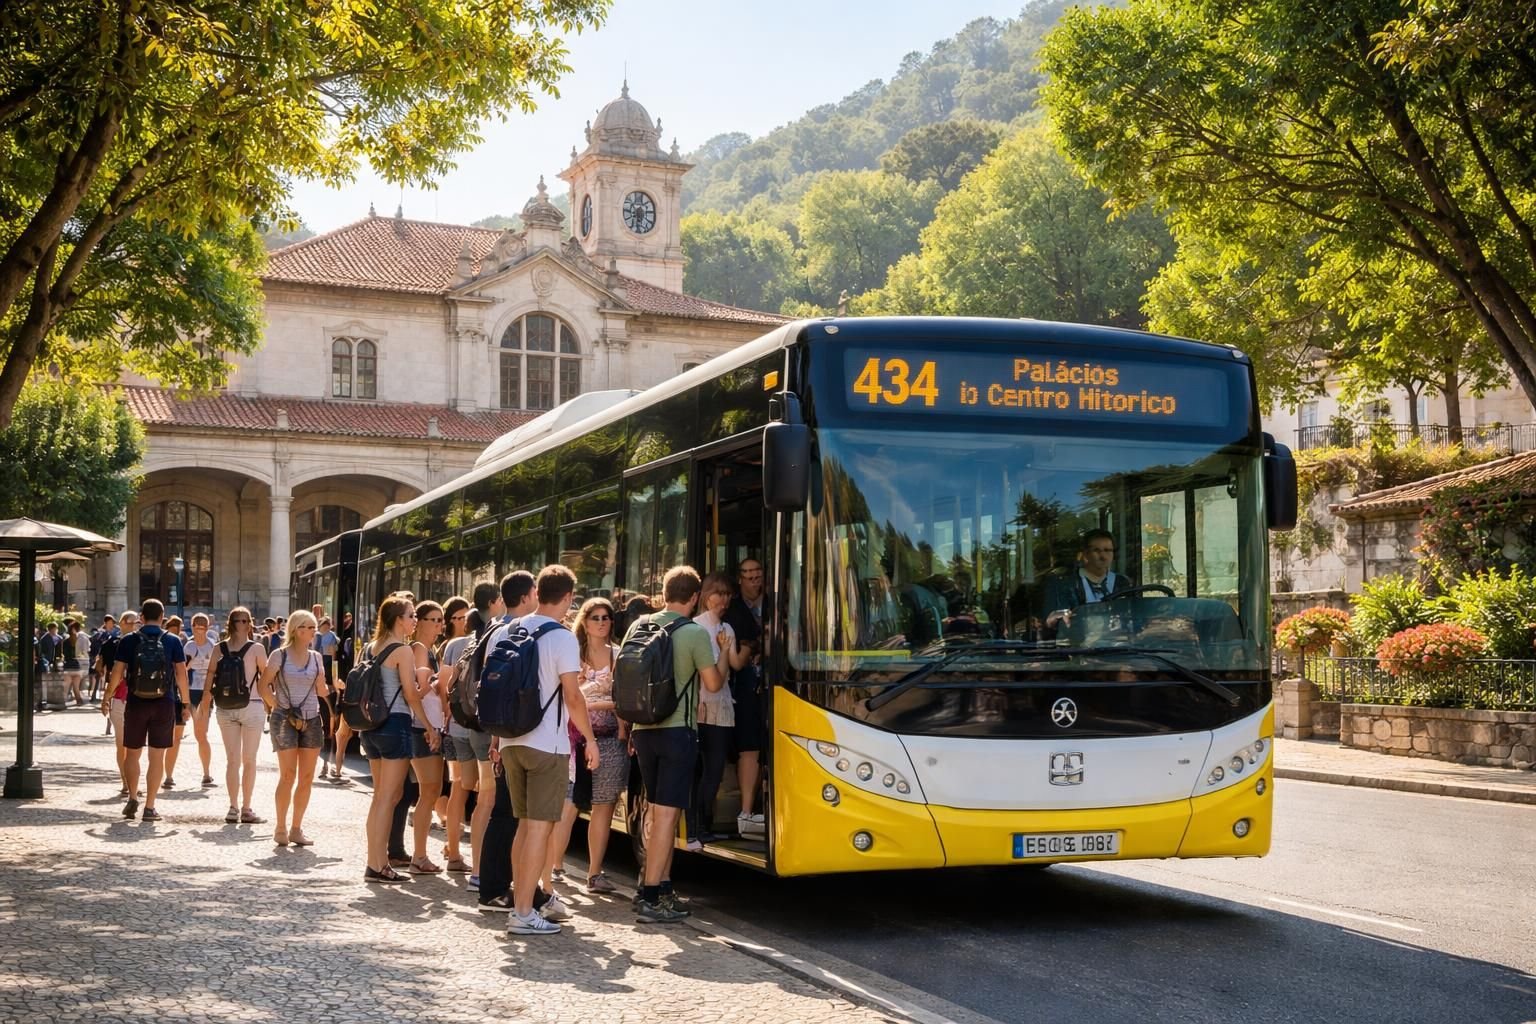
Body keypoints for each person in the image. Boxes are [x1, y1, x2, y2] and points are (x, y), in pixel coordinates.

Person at [501, 565, 597, 936]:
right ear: (570, 597)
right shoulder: (562, 637)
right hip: (547, 743)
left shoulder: (509, 629)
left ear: (537, 591)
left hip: (511, 741)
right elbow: (572, 696)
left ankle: (519, 902)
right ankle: (524, 911)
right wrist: (588, 739)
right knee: (539, 829)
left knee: (523, 827)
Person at [626, 566, 724, 924]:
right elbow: (712, 684)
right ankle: (650, 894)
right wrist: (725, 654)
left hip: (643, 729)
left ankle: (662, 887)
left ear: (664, 593)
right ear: (695, 597)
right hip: (676, 731)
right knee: (667, 814)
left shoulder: (640, 626)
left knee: (657, 810)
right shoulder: (695, 632)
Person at [546, 596, 628, 895]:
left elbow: (622, 701)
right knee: (567, 806)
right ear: (585, 620)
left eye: (607, 617)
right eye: (596, 617)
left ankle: (594, 873)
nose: (603, 622)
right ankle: (554, 867)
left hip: (609, 739)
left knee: (603, 809)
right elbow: (569, 699)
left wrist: (594, 701)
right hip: (573, 738)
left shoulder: (619, 655)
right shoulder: (572, 653)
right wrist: (602, 701)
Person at [109, 599, 190, 822]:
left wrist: (107, 697)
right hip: (164, 702)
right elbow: (182, 674)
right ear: (162, 617)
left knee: (132, 752)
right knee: (157, 756)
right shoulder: (173, 640)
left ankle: (133, 796)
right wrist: (185, 703)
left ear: (141, 617)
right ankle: (150, 806)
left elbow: (117, 672)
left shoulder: (128, 640)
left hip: (135, 701)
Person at [360, 595, 423, 883]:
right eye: (411, 615)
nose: (414, 621)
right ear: (398, 619)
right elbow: (410, 694)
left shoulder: (371, 648)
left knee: (380, 798)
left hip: (371, 726)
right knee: (388, 798)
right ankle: (378, 865)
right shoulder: (403, 650)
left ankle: (375, 861)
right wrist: (430, 725)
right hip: (395, 723)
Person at [688, 572, 749, 847]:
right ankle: (698, 824)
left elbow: (736, 664)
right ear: (705, 595)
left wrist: (749, 644)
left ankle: (705, 822)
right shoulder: (696, 628)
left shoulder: (727, 628)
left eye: (727, 595)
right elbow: (715, 678)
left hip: (722, 707)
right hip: (703, 706)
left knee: (715, 769)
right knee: (704, 769)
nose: (722, 600)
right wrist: (724, 650)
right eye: (717, 593)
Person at [259, 610, 327, 846]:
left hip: (312, 718)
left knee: (307, 777)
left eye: (312, 627)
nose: (310, 631)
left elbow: (321, 689)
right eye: (305, 627)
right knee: (288, 775)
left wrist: (335, 687)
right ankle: (280, 827)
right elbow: (263, 686)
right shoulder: (279, 655)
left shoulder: (317, 657)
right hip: (284, 718)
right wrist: (275, 704)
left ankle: (296, 828)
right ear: (295, 629)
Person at [208, 606, 270, 825]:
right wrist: (274, 705)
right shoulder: (257, 649)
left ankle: (234, 808)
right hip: (251, 706)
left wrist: (205, 709)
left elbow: (210, 681)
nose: (242, 625)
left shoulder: (218, 648)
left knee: (233, 760)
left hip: (225, 707)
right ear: (235, 623)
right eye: (240, 621)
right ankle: (244, 808)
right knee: (248, 760)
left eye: (244, 621)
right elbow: (266, 680)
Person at [722, 559, 770, 837]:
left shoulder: (779, 604)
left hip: (778, 682)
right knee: (749, 747)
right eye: (748, 576)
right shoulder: (734, 611)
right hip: (745, 687)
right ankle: (746, 811)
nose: (754, 581)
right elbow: (736, 659)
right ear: (740, 579)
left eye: (757, 575)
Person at [404, 600, 447, 874]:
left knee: (431, 791)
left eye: (441, 619)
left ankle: (419, 855)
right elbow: (415, 694)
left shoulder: (430, 650)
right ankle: (419, 856)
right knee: (428, 792)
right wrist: (433, 682)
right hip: (422, 728)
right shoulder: (419, 650)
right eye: (434, 619)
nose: (440, 624)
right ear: (419, 622)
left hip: (430, 726)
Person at [436, 595, 474, 873]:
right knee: (470, 789)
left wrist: (448, 713)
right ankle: (453, 850)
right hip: (471, 727)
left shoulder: (454, 645)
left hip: (456, 726)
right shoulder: (462, 644)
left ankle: (453, 849)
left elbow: (445, 685)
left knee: (459, 786)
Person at [1040, 529, 1135, 634]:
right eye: (1097, 551)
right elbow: (1053, 623)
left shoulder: (1123, 583)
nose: (1103, 556)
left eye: (1107, 550)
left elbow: (1134, 619)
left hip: (1119, 646)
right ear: (1085, 554)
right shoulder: (1062, 583)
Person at [97, 611, 138, 797]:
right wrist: (106, 697)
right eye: (128, 621)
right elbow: (103, 667)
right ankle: (125, 781)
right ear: (120, 623)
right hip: (118, 697)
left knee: (134, 746)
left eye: (135, 621)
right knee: (121, 743)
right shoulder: (111, 644)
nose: (132, 624)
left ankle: (132, 780)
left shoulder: (143, 643)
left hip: (138, 698)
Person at [62, 620, 87, 706]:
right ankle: (79, 701)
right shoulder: (81, 641)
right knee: (76, 687)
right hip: (77, 666)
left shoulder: (66, 641)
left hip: (68, 666)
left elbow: (64, 654)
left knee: (66, 687)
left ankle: (63, 703)